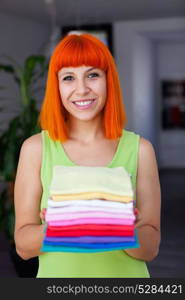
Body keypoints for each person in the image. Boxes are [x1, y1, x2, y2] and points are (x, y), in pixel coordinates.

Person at [14, 33, 161, 278]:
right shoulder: (35, 149)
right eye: (69, 77)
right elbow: (23, 247)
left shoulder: (140, 150)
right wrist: (60, 227)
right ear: (57, 86)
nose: (82, 89)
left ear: (108, 80)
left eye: (93, 75)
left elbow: (150, 248)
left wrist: (118, 227)